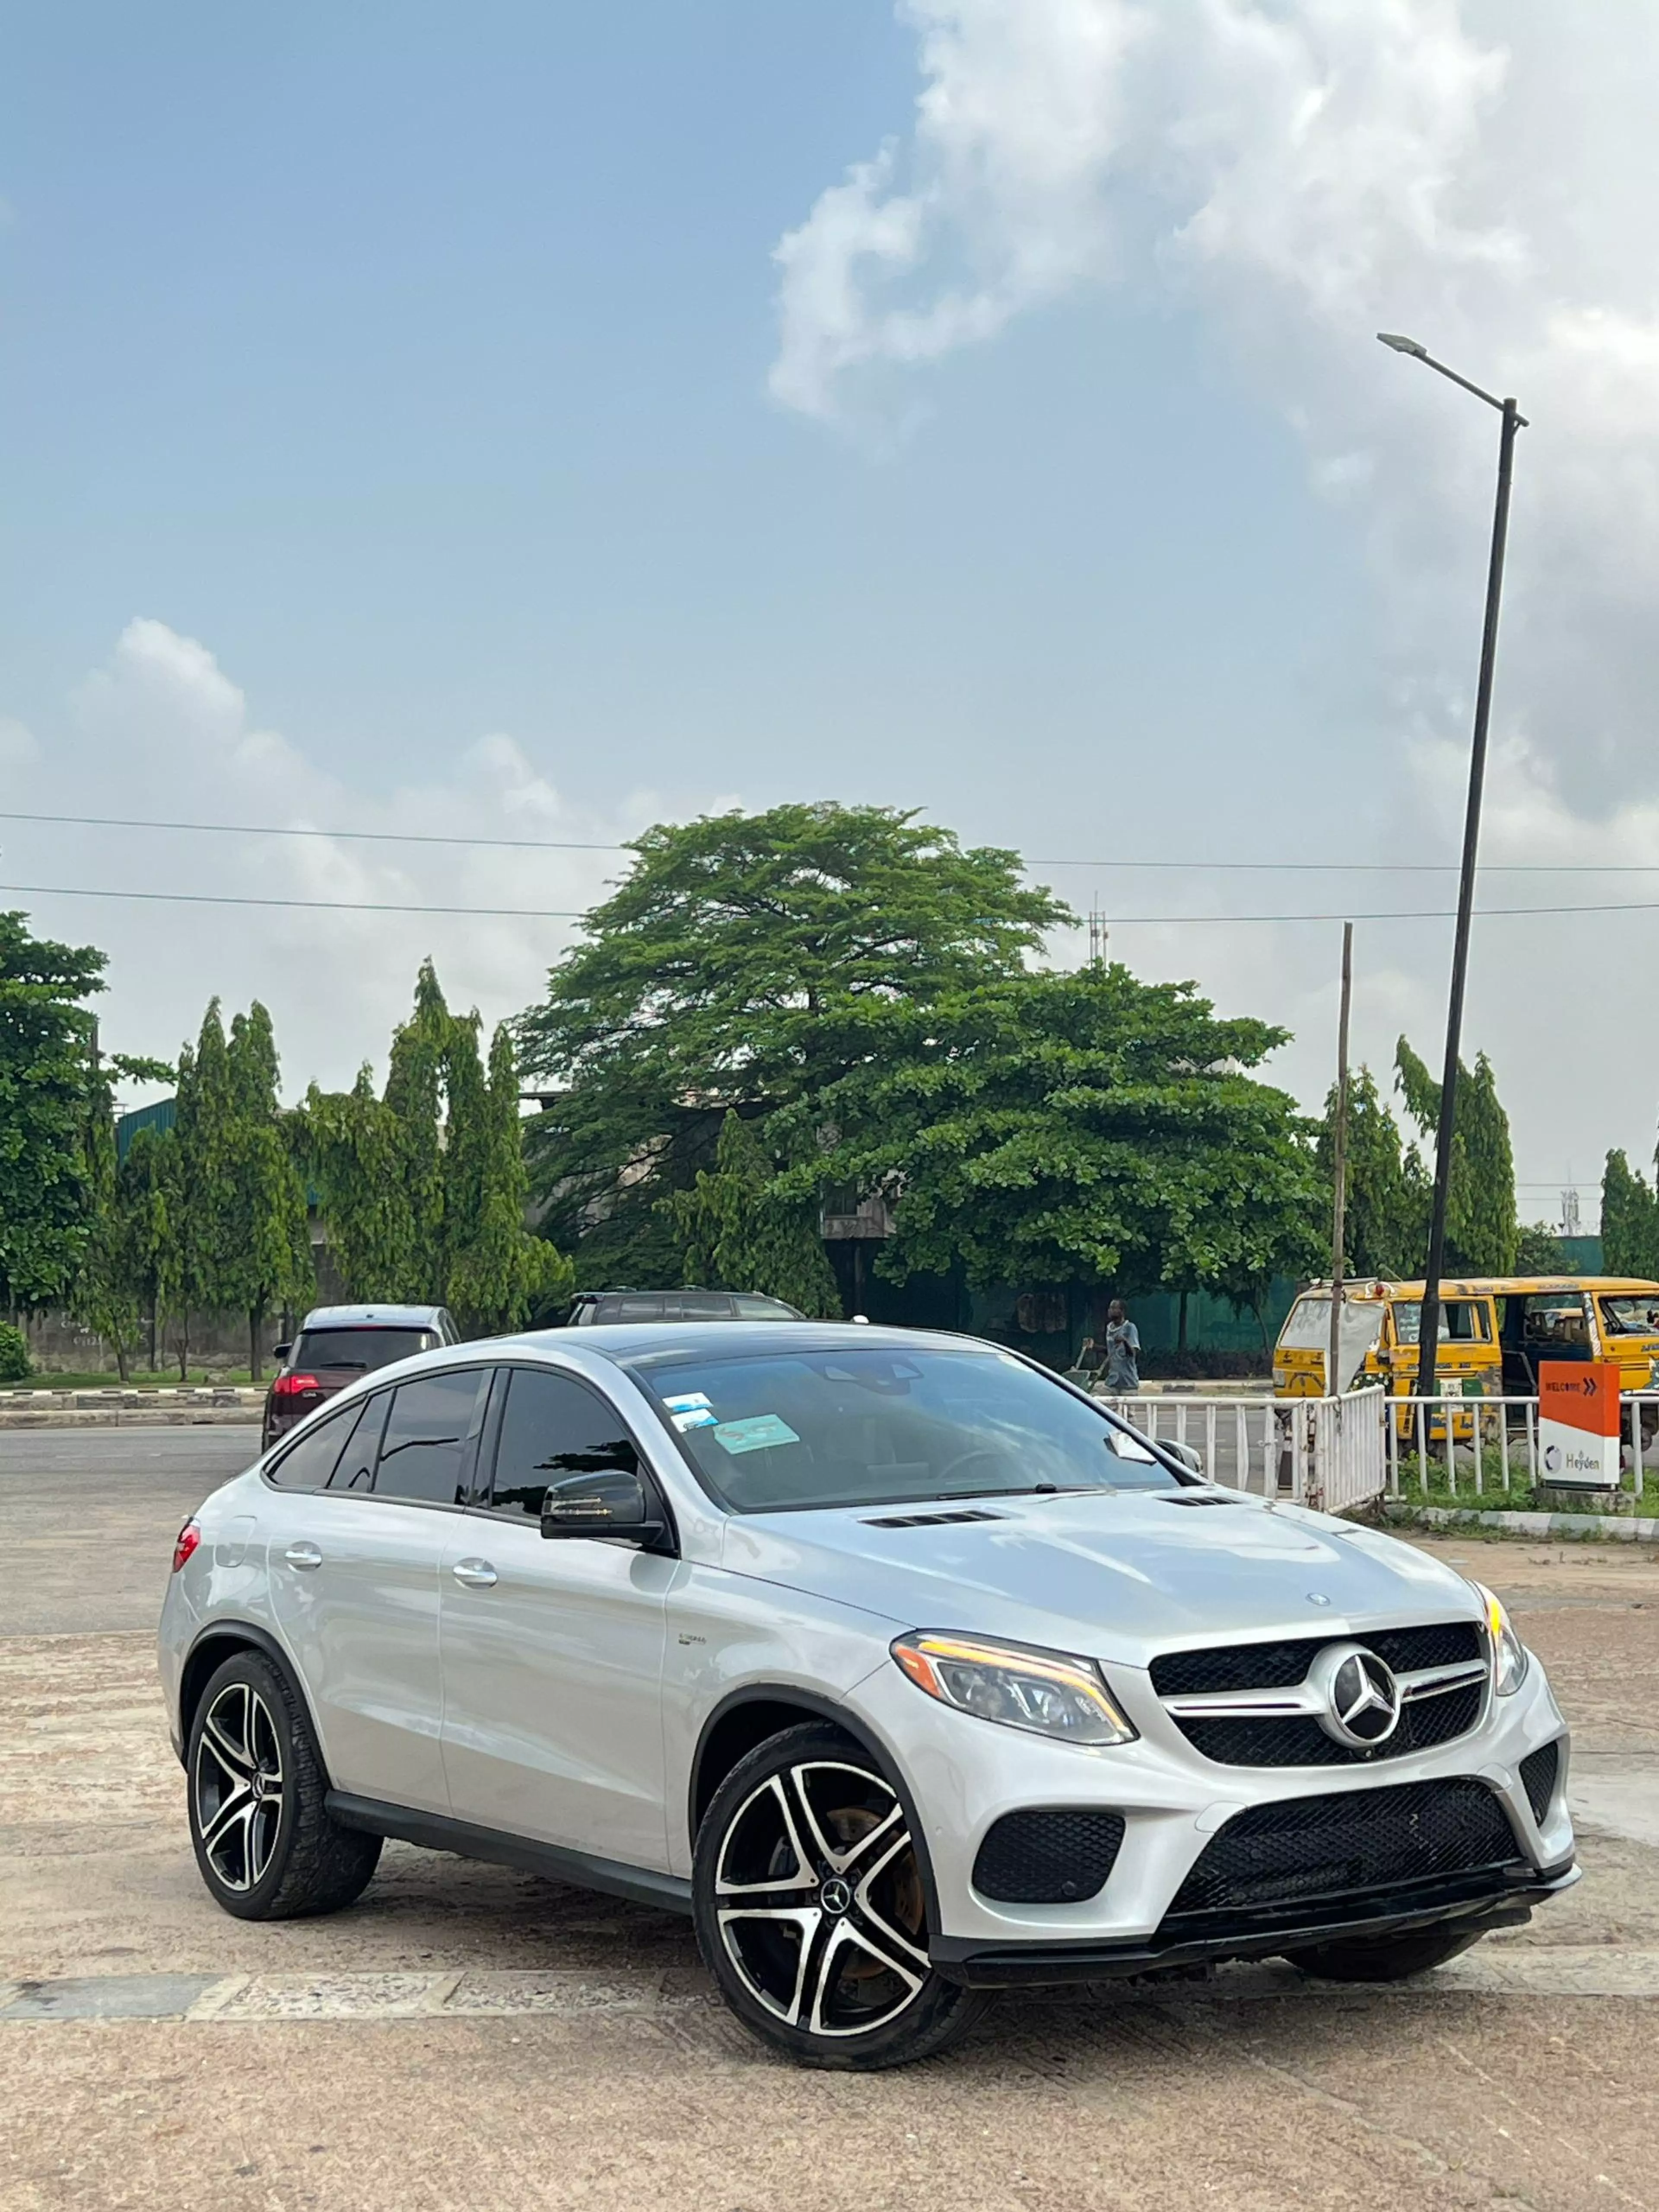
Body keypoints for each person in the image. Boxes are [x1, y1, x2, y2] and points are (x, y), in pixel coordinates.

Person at [1101, 1299, 1141, 1393]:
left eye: (1114, 1308)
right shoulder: (1109, 1328)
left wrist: (1125, 1341)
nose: (1110, 1311)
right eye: (1110, 1308)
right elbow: (1110, 1351)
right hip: (1113, 1381)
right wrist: (1094, 1347)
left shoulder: (1130, 1328)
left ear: (1122, 1311)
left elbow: (1133, 1353)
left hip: (1128, 1383)